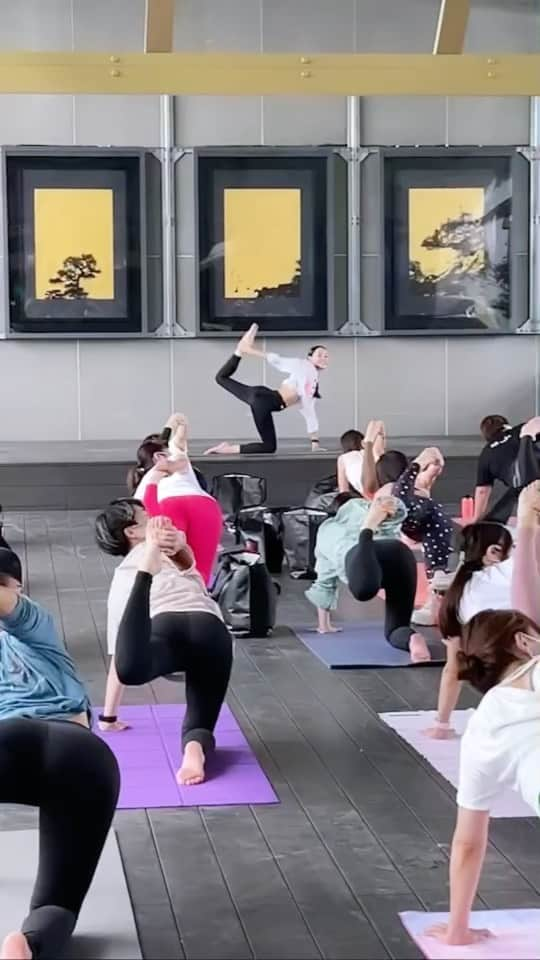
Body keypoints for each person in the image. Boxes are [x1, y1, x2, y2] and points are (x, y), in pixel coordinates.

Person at [425, 481, 540, 947]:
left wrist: (457, 930)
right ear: (524, 642)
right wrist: (528, 521)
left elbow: (468, 843)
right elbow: (528, 602)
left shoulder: (482, 731)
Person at [0, 548, 120, 960]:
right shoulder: (40, 627)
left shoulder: (26, 619)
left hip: (13, 739)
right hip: (86, 758)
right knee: (57, 905)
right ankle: (26, 946)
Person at [95, 504, 232, 782]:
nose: (161, 519)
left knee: (129, 668)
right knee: (200, 722)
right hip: (212, 630)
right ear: (132, 532)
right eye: (150, 519)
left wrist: (109, 717)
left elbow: (120, 660)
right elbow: (195, 579)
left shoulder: (126, 576)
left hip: (168, 628)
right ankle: (194, 751)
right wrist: (178, 550)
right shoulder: (177, 557)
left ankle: (145, 574)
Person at [305, 493, 431, 663]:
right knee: (397, 628)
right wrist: (389, 504)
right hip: (399, 554)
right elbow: (399, 513)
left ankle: (367, 530)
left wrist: (324, 625)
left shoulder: (329, 528)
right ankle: (412, 639)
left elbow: (324, 581)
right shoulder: (371, 510)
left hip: (363, 554)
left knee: (363, 591)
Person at [426, 520, 514, 739]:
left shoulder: (458, 592)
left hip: (486, 676)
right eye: (510, 549)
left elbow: (452, 669)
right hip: (517, 673)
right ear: (494, 552)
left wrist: (442, 724)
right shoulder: (504, 575)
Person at [204, 323, 329, 455]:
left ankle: (239, 351)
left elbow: (309, 411)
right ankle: (226, 449)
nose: (323, 358)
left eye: (326, 356)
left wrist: (315, 442)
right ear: (310, 358)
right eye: (319, 354)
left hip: (262, 396)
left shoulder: (308, 377)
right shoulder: (305, 366)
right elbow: (279, 361)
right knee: (269, 446)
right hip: (265, 401)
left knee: (221, 378)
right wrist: (251, 351)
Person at [128, 416, 222, 587]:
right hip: (204, 506)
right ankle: (201, 602)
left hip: (163, 505)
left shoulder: (143, 483)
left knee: (167, 569)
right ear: (159, 456)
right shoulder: (169, 463)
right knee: (200, 575)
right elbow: (179, 447)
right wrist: (177, 425)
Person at [473, 414, 540, 523]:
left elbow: (482, 491)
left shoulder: (485, 454)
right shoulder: (519, 430)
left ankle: (490, 524)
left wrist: (477, 519)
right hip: (533, 474)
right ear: (506, 425)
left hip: (523, 486)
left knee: (515, 491)